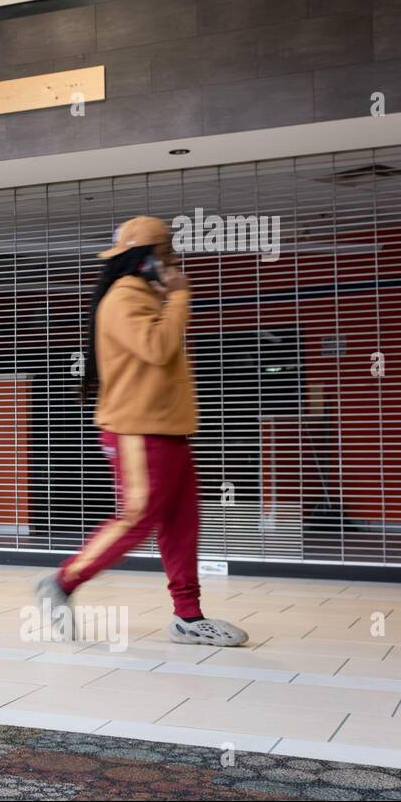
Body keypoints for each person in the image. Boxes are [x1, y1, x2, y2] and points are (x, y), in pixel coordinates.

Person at [37, 215, 249, 647]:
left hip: (167, 431)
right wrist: (180, 297)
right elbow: (156, 348)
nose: (172, 262)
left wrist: (170, 299)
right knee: (136, 518)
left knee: (182, 524)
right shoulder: (124, 298)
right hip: (137, 432)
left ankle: (188, 616)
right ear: (144, 260)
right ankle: (61, 582)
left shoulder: (145, 296)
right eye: (165, 254)